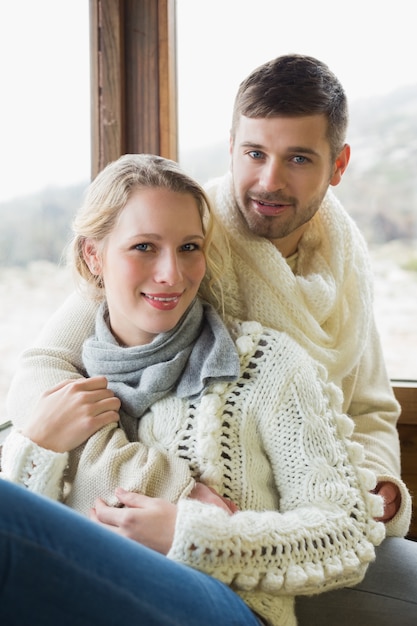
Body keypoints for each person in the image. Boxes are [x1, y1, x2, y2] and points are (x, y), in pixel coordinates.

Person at [4, 55, 417, 622]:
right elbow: (47, 369)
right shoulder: (179, 221)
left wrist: (376, 487)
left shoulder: (337, 276)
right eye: (254, 153)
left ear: (338, 164)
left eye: (298, 157)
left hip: (238, 570)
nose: (270, 180)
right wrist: (165, 487)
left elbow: (367, 410)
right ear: (230, 147)